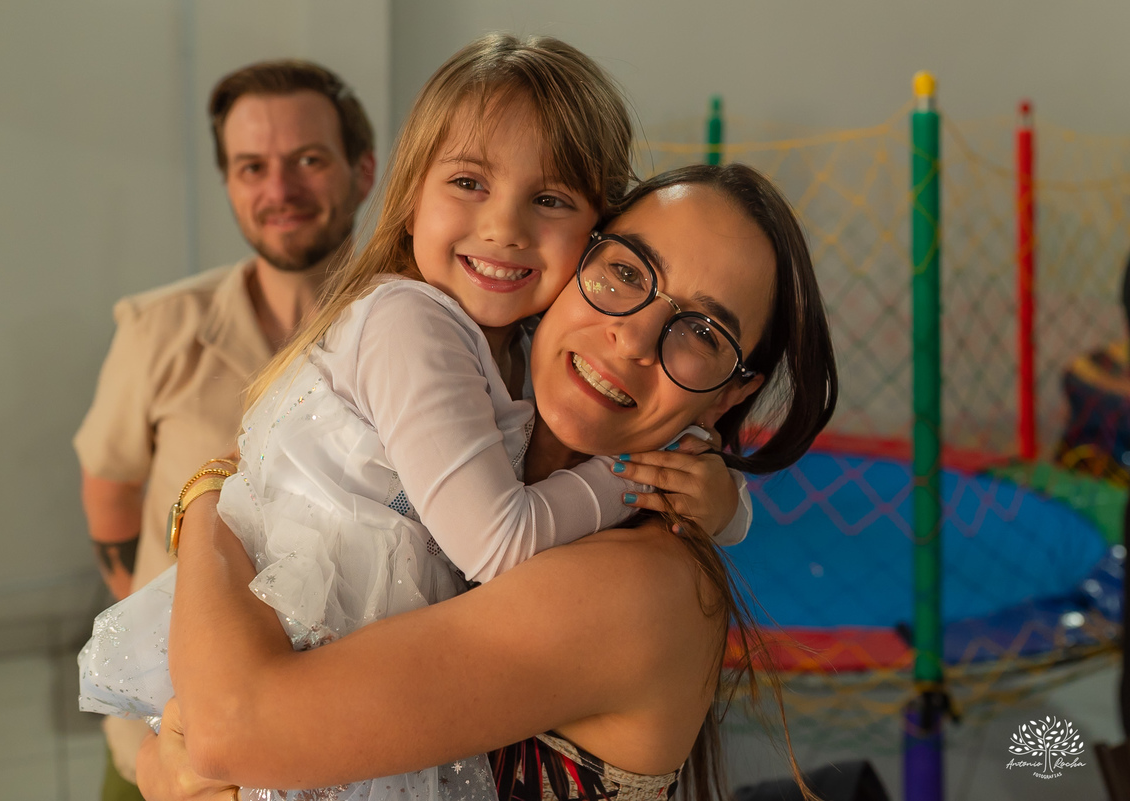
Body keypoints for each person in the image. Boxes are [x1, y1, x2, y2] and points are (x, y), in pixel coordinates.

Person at [80, 34, 748, 801]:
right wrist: (628, 480)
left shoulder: (526, 348)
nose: (504, 227)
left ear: (593, 233)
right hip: (305, 634)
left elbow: (689, 455)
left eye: (551, 199)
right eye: (468, 181)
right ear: (408, 198)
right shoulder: (412, 322)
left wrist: (723, 502)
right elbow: (499, 540)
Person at [137, 163, 839, 801]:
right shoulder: (465, 446)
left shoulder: (641, 586)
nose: (633, 338)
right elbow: (170, 753)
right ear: (572, 260)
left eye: (703, 331)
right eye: (626, 272)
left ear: (724, 398)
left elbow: (230, 725)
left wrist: (208, 493)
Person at [74, 59, 375, 798]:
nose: (279, 191)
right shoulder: (158, 330)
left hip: (346, 729)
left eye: (309, 159)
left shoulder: (418, 338)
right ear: (231, 183)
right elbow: (110, 492)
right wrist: (172, 618)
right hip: (164, 740)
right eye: (251, 167)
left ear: (363, 171)